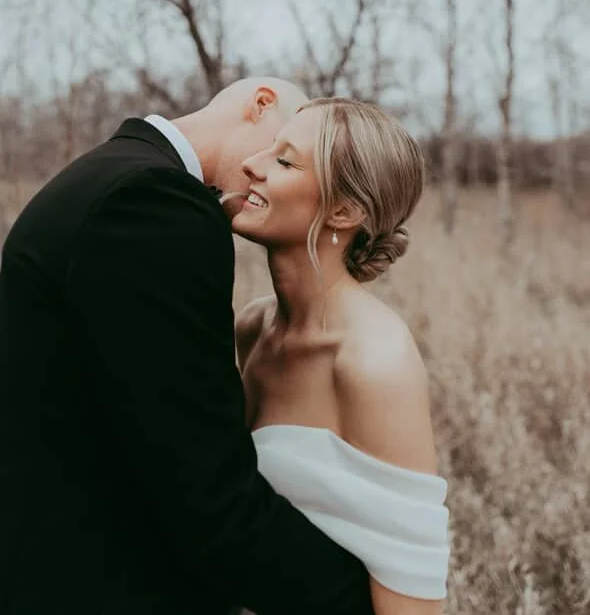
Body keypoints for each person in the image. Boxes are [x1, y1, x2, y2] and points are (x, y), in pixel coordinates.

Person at [0, 79, 375, 615]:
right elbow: (203, 490)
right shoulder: (152, 203)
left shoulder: (107, 173)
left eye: (287, 163)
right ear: (260, 103)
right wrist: (354, 599)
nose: (263, 170)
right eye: (281, 149)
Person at [233, 97, 450, 615]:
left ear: (344, 211)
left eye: (284, 161)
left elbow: (411, 595)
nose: (251, 165)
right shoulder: (251, 327)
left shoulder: (374, 359)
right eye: (267, 150)